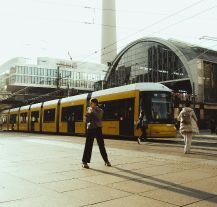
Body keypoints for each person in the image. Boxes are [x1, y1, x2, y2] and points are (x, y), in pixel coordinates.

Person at [82, 98, 111, 169]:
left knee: (101, 145)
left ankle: (106, 160)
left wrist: (92, 111)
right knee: (88, 145)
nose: (90, 104)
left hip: (98, 129)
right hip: (90, 129)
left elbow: (99, 117)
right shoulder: (89, 109)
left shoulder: (100, 110)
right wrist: (87, 114)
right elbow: (86, 120)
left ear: (95, 103)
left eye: (91, 103)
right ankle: (84, 162)